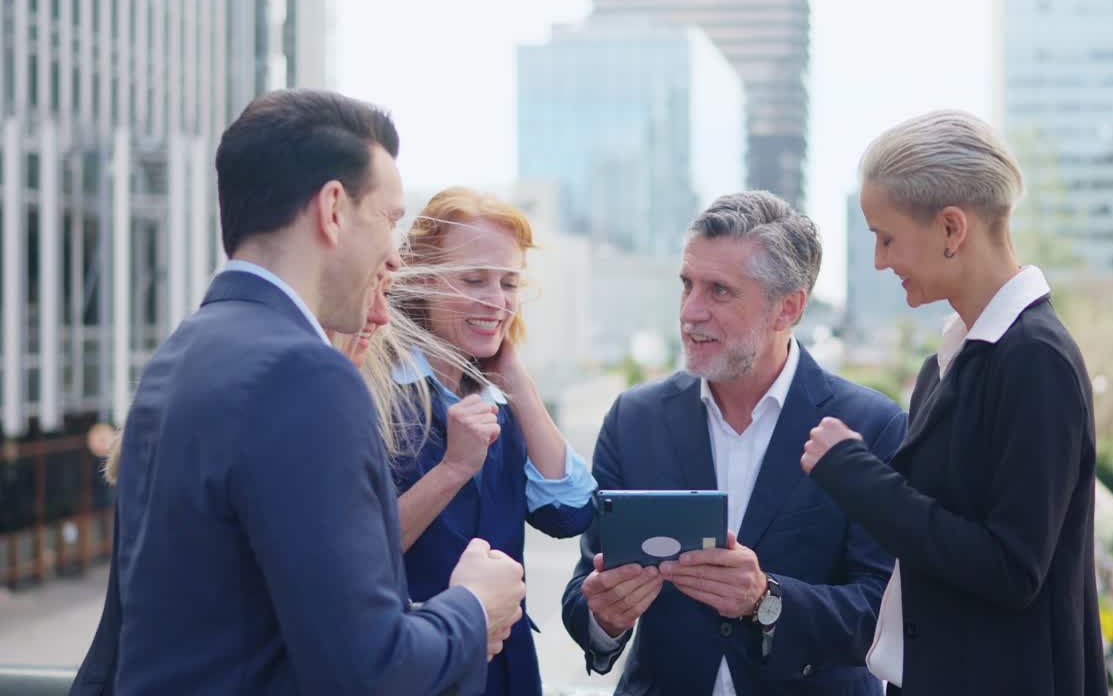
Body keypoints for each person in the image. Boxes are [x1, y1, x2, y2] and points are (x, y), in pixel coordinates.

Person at [74, 90, 526, 696]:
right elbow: (369, 670)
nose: (394, 256)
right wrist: (474, 607)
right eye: (388, 220)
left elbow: (125, 640)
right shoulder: (306, 378)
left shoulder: (181, 354)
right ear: (334, 209)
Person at [799, 110, 1107, 695]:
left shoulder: (1036, 360)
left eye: (885, 237)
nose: (879, 261)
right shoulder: (950, 361)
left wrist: (855, 474)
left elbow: (1013, 567)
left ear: (951, 229)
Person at [561, 191, 906, 695]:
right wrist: (604, 616)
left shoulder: (871, 426)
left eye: (719, 291)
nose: (690, 312)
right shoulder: (634, 420)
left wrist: (767, 598)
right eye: (687, 285)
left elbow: (885, 613)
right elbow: (583, 593)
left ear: (787, 308)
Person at [391, 187, 598, 695]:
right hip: (418, 666)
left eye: (509, 283)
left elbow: (570, 511)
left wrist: (518, 383)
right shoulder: (377, 396)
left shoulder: (496, 402)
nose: (496, 301)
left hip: (506, 674)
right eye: (473, 280)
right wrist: (454, 468)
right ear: (421, 281)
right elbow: (361, 552)